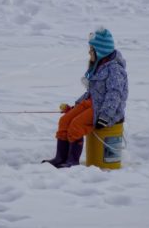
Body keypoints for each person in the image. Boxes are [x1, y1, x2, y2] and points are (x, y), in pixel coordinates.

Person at [42, 27, 128, 168]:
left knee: (76, 125)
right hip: (93, 103)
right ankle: (60, 158)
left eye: (91, 49)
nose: (89, 52)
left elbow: (115, 95)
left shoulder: (115, 70)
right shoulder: (100, 65)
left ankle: (72, 161)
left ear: (100, 51)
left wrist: (105, 116)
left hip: (106, 111)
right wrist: (75, 107)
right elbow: (93, 91)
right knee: (65, 120)